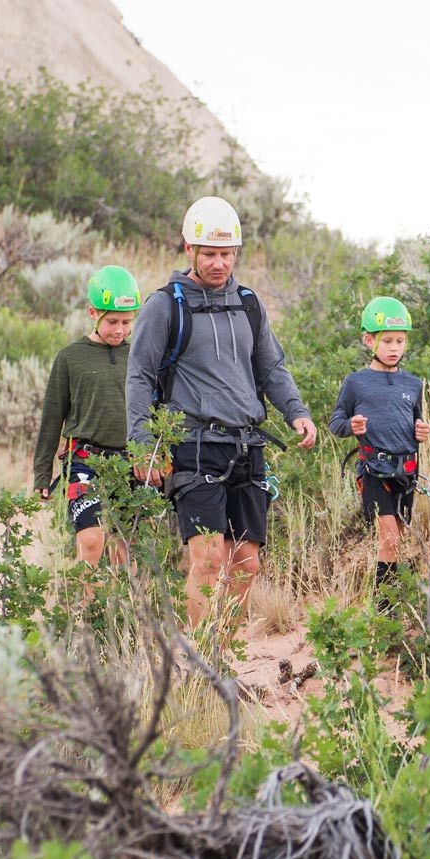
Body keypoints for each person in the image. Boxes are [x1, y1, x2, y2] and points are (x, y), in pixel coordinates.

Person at [125, 195, 319, 627]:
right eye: (209, 254)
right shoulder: (165, 305)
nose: (219, 263)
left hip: (247, 446)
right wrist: (141, 444)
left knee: (247, 563)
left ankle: (227, 655)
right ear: (189, 249)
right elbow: (138, 376)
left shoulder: (249, 303)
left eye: (227, 254)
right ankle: (202, 662)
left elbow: (271, 366)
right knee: (209, 560)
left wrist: (297, 412)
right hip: (194, 445)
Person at [32, 265, 140, 568]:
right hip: (85, 461)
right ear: (93, 313)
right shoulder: (70, 357)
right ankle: (82, 611)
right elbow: (52, 417)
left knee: (124, 547)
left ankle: (119, 613)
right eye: (113, 321)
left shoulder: (139, 356)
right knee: (91, 540)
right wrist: (42, 472)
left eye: (127, 322)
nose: (120, 330)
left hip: (130, 462)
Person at [329, 296, 430, 596]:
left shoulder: (413, 384)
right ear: (368, 340)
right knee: (389, 538)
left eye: (400, 341)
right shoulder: (356, 383)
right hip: (373, 470)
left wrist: (421, 431)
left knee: (397, 540)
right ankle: (385, 612)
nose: (394, 348)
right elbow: (336, 422)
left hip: (406, 471)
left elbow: (416, 423)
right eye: (387, 341)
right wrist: (351, 426)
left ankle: (394, 603)